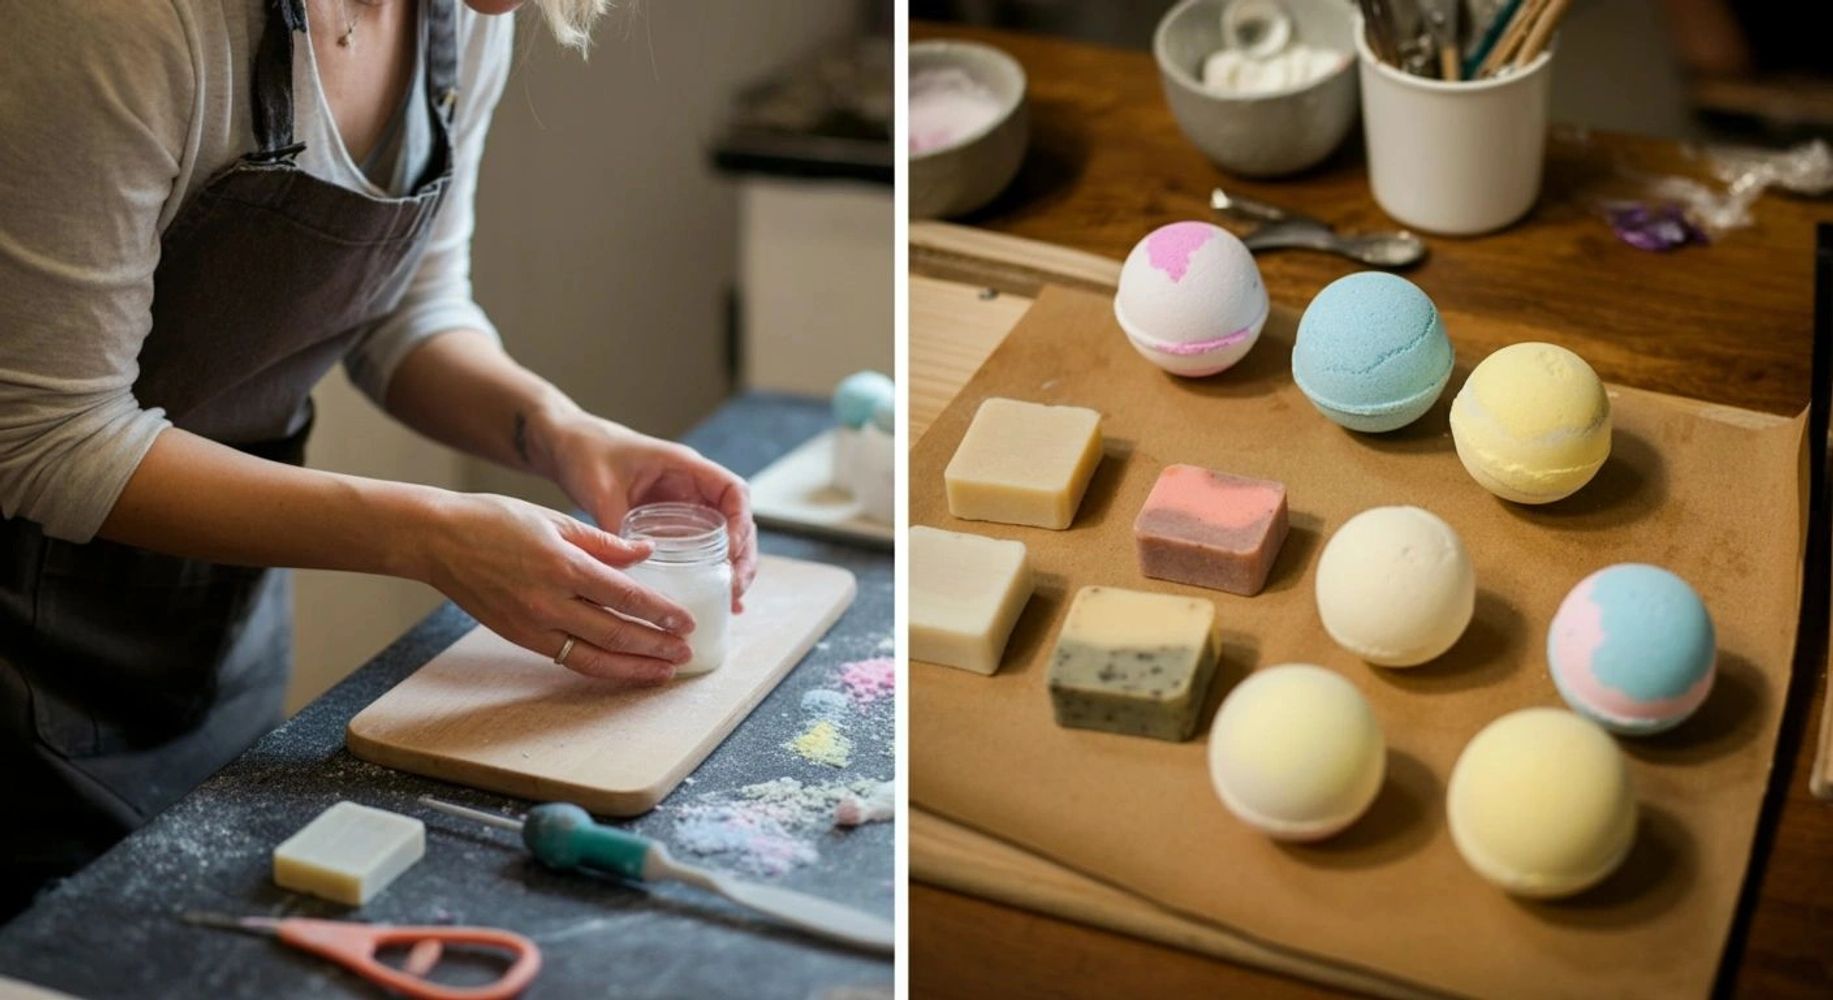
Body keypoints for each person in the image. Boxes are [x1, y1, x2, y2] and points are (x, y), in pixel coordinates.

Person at [0, 0, 756, 916]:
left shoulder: (465, 12)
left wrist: (563, 433)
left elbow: (409, 312)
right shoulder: (119, 23)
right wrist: (426, 535)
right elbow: (48, 434)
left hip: (212, 619)